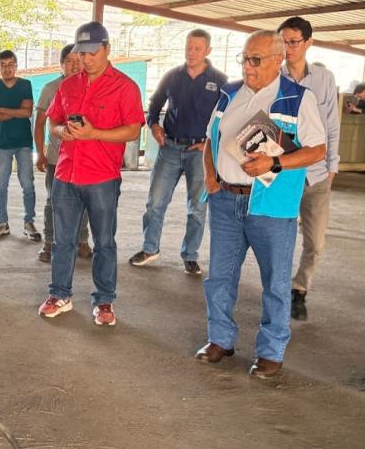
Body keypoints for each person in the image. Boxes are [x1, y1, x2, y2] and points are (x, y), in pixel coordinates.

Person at [196, 30, 326, 379]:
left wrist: (275, 164)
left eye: (255, 60)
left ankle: (271, 351)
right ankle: (220, 339)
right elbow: (211, 138)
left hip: (271, 206)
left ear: (277, 60)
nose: (248, 67)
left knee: (276, 282)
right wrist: (210, 175)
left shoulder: (297, 99)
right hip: (225, 200)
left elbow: (317, 150)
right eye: (244, 59)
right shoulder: (230, 93)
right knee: (219, 277)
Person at [37, 21, 145, 326]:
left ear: (107, 49)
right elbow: (53, 121)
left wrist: (94, 133)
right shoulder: (68, 85)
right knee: (63, 240)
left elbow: (133, 130)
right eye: (81, 53)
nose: (86, 60)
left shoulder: (125, 87)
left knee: (104, 241)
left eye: (92, 52)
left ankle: (104, 300)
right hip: (66, 175)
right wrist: (62, 132)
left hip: (101, 177)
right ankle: (59, 294)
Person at [129, 29, 227, 276]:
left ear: (207, 51)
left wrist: (210, 143)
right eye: (188, 47)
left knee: (197, 207)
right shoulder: (172, 76)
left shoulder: (220, 80)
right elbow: (154, 105)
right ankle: (150, 248)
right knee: (155, 203)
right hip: (170, 147)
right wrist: (153, 125)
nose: (191, 52)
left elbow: (228, 117)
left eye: (197, 48)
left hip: (200, 152)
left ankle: (190, 255)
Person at [276, 16, 340, 321]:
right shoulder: (272, 76)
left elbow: (332, 125)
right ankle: (276, 289)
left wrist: (332, 167)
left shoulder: (324, 79)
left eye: (293, 42)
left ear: (308, 43)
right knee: (278, 235)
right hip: (282, 170)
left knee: (315, 240)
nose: (287, 48)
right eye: (283, 42)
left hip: (316, 173)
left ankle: (299, 288)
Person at [34, 44, 92, 262]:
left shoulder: (89, 86)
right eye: (69, 60)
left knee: (84, 201)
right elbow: (40, 123)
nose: (75, 65)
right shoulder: (51, 88)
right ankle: (49, 243)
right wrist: (40, 153)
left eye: (79, 60)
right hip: (56, 160)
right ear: (61, 64)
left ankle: (82, 240)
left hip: (85, 159)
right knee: (53, 201)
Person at [0, 50, 40, 240]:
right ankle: (2, 222)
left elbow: (27, 113)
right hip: (3, 143)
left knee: (28, 184)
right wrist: (17, 110)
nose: (7, 68)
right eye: (3, 65)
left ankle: (29, 222)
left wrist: (2, 109)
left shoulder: (25, 84)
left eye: (11, 64)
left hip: (24, 142)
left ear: (16, 66)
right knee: (1, 184)